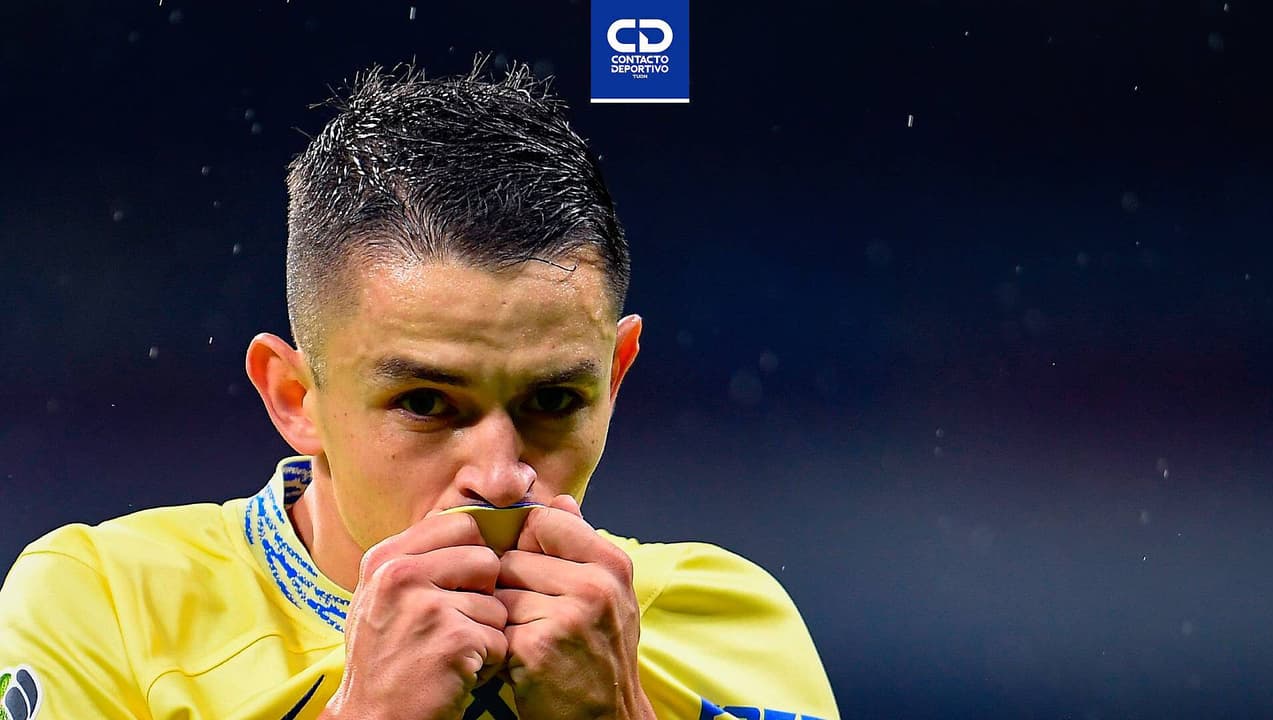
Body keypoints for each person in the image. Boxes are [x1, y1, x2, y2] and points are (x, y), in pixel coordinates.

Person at [0, 61, 838, 720]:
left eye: (554, 402)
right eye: (428, 403)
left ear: (614, 378)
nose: (502, 476)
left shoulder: (727, 623)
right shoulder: (106, 605)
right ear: (294, 397)